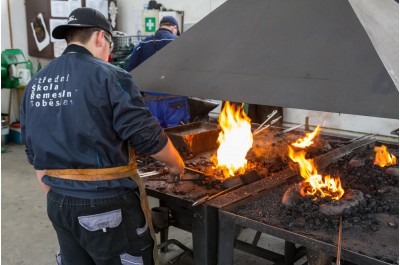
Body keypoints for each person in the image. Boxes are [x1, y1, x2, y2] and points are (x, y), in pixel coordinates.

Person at [20, 7, 184, 265]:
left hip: (58, 204)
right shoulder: (110, 75)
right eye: (108, 44)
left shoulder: (36, 83)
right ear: (100, 37)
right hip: (107, 206)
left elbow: (33, 151)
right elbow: (146, 135)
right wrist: (176, 163)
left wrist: (61, 193)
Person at [125, 16, 189, 128]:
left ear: (160, 26)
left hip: (151, 100)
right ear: (174, 28)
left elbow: (130, 70)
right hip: (174, 98)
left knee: (155, 134)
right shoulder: (179, 42)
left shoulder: (142, 44)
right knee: (179, 133)